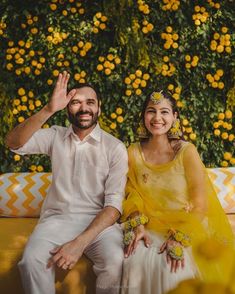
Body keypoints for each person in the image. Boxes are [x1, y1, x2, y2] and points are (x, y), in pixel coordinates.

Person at [5, 71, 128, 294]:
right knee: (31, 261)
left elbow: (114, 207)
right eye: (75, 102)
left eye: (90, 102)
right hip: (57, 220)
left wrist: (79, 243)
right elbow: (13, 143)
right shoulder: (55, 136)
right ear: (66, 108)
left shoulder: (115, 148)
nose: (84, 108)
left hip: (100, 225)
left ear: (99, 107)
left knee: (115, 261)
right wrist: (49, 109)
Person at [120, 90, 235, 294]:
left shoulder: (186, 152)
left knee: (172, 270)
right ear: (143, 116)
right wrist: (137, 223)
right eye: (151, 111)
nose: (157, 118)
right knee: (134, 262)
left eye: (164, 112)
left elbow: (200, 205)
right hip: (148, 229)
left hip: (187, 226)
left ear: (175, 117)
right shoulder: (133, 153)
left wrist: (179, 238)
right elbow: (131, 193)